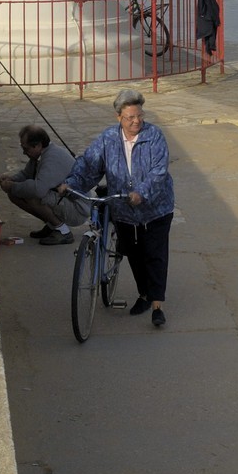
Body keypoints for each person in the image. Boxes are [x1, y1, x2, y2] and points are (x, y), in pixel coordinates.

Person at [59, 88, 174, 328]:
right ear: (118, 117)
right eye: (130, 117)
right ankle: (144, 294)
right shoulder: (108, 138)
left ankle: (156, 306)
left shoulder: (154, 136)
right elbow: (89, 165)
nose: (136, 121)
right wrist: (71, 184)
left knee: (154, 255)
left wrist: (141, 193)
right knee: (131, 251)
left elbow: (159, 172)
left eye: (139, 116)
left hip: (155, 209)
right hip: (123, 209)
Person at [0, 125, 89, 246]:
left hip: (78, 208)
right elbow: (27, 174)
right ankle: (53, 225)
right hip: (65, 199)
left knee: (32, 195)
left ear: (38, 145)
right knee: (15, 194)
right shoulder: (40, 154)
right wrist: (11, 179)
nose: (24, 152)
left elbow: (37, 190)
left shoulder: (51, 158)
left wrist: (12, 186)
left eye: (26, 148)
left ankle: (62, 231)